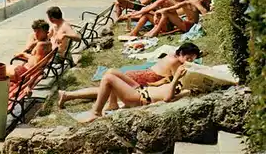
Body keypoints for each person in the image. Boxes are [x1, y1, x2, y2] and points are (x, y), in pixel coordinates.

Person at [57, 43, 202, 110]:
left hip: (141, 75)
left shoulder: (172, 55)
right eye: (189, 58)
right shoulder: (176, 62)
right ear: (181, 54)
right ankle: (69, 95)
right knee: (104, 90)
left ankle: (69, 95)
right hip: (144, 79)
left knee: (104, 89)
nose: (190, 62)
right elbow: (176, 80)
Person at [74, 64, 190, 123]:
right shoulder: (180, 81)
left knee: (108, 79)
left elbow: (167, 99)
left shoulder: (185, 90)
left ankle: (96, 113)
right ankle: (112, 104)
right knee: (111, 71)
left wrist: (175, 79)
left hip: (140, 98)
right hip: (141, 90)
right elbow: (158, 85)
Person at [144, 0, 212, 37]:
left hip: (188, 25)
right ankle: (154, 31)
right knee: (166, 13)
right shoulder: (194, 4)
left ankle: (155, 32)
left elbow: (166, 10)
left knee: (166, 13)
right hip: (190, 24)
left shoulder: (186, 3)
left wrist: (156, 13)